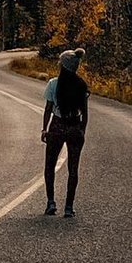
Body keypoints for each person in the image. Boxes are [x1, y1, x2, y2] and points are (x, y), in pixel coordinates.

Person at [41, 47, 89, 218]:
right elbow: (85, 112)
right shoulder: (81, 85)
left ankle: (51, 202)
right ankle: (69, 207)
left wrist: (45, 128)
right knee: (73, 168)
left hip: (57, 126)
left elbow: (48, 109)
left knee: (50, 164)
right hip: (75, 126)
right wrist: (81, 130)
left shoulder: (54, 84)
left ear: (63, 66)